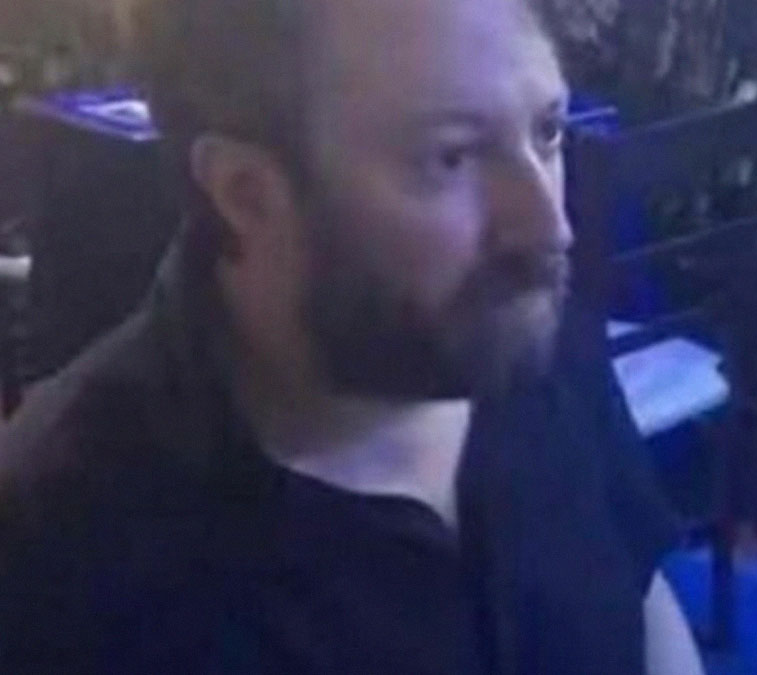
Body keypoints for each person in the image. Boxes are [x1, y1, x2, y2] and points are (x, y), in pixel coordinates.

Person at [0, 0, 704, 672]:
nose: (551, 230)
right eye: (450, 157)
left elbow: (638, 599)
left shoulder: (516, 319)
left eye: (547, 132)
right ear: (247, 192)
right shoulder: (58, 547)